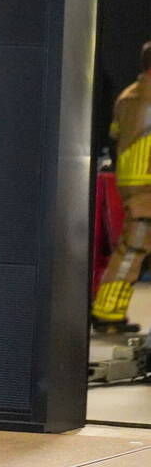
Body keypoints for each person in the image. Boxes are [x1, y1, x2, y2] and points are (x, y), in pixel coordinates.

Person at [92, 41, 151, 334]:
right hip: (147, 184)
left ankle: (109, 311)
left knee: (131, 246)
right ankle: (107, 313)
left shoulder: (127, 95)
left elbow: (116, 132)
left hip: (130, 179)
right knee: (133, 248)